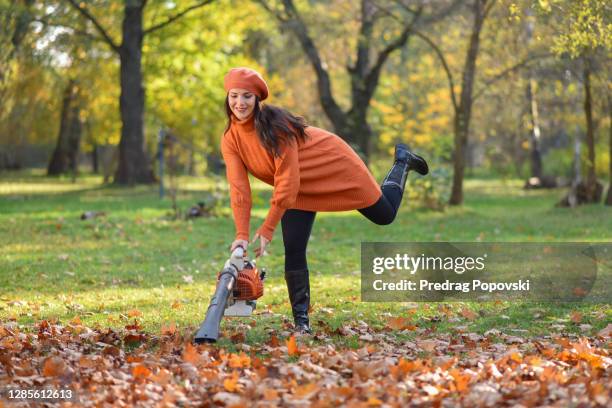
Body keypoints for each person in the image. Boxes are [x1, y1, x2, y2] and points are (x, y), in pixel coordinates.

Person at [221, 67, 428, 334]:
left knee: (384, 215)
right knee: (294, 248)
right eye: (234, 96)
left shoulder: (277, 129)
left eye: (247, 96)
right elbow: (239, 189)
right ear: (227, 97)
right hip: (297, 187)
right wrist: (241, 234)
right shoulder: (230, 139)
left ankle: (402, 161)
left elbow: (286, 183)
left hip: (332, 162)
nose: (240, 103)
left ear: (257, 99)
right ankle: (301, 323)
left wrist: (267, 228)